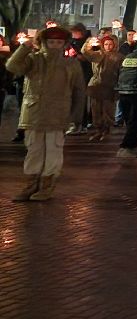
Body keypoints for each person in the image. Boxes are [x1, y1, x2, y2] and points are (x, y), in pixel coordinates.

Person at [7, 26, 86, 202]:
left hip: (58, 115)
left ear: (64, 43)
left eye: (59, 42)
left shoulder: (71, 64)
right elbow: (12, 66)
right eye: (51, 42)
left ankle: (46, 186)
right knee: (33, 150)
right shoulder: (33, 60)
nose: (55, 45)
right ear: (44, 42)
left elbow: (79, 91)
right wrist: (24, 47)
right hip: (33, 113)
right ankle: (31, 184)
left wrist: (76, 116)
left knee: (53, 151)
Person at [83, 33, 124, 142]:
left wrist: (119, 87)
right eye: (106, 44)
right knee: (96, 110)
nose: (108, 46)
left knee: (108, 110)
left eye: (110, 44)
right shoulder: (98, 54)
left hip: (110, 86)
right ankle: (98, 130)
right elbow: (86, 53)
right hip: (96, 86)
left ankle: (107, 131)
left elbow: (121, 72)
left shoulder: (119, 57)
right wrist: (89, 43)